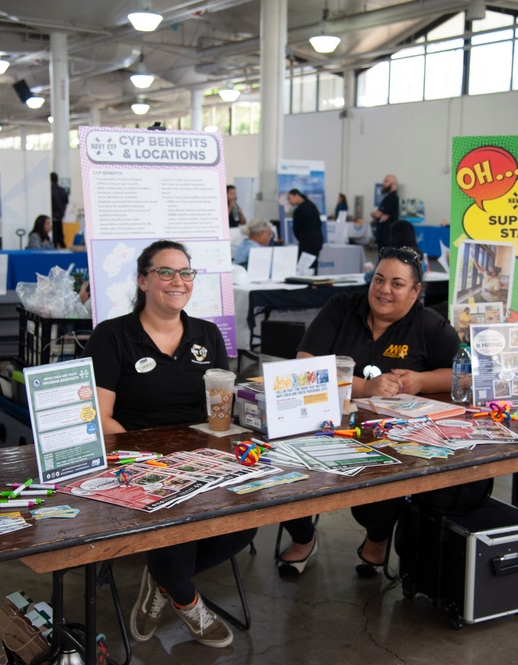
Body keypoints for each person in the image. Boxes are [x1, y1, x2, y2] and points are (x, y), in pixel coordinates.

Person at [82, 240, 255, 649]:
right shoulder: (112, 336)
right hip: (135, 460)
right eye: (164, 272)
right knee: (176, 516)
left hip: (203, 456)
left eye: (185, 272)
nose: (177, 281)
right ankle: (186, 597)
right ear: (143, 280)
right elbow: (100, 418)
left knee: (247, 519)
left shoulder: (207, 334)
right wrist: (149, 465)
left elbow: (221, 409)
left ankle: (159, 582)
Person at [277, 246, 459, 578]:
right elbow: (305, 366)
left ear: (416, 291)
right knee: (283, 470)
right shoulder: (341, 308)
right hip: (323, 425)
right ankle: (303, 537)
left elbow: (464, 373)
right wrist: (365, 388)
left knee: (387, 477)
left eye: (397, 283)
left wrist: (421, 379)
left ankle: (377, 538)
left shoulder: (429, 324)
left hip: (388, 437)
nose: (384, 290)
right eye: (378, 279)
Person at [286, 188, 322, 271]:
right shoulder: (312, 206)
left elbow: (296, 229)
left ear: (297, 195)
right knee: (312, 266)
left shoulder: (299, 211)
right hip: (317, 241)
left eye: (289, 198)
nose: (289, 201)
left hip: (307, 242)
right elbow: (319, 223)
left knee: (304, 267)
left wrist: (302, 238)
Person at [372, 174, 400, 252]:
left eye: (386, 181)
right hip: (382, 236)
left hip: (387, 238)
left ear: (393, 184)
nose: (383, 183)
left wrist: (378, 214)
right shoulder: (386, 198)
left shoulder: (392, 198)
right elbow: (377, 214)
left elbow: (378, 214)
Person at [50, 172, 69, 248]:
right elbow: (66, 202)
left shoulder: (50, 190)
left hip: (53, 217)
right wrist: (62, 212)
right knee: (61, 239)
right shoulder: (63, 190)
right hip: (60, 217)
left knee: (54, 239)